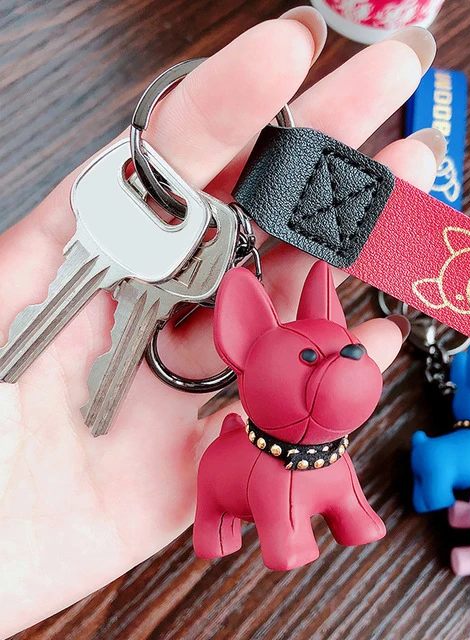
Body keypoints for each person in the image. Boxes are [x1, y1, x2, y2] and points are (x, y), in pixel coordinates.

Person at [0, 7, 445, 636]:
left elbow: (344, 483)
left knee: (345, 496)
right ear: (242, 344)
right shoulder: (253, 381)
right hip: (239, 460)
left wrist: (353, 511)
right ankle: (217, 524)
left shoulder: (332, 440)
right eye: (319, 354)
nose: (350, 356)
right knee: (236, 505)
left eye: (339, 350)